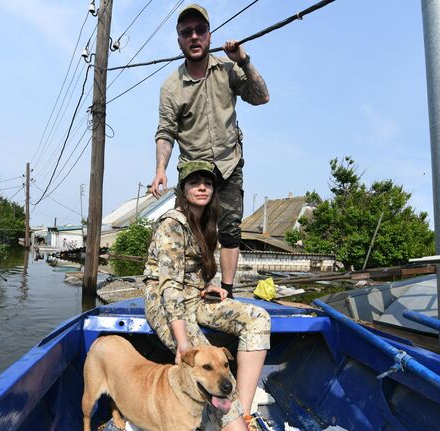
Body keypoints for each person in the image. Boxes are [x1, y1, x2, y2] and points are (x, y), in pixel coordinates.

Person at [151, 4, 270, 299]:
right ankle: (187, 289)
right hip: (194, 170)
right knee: (190, 231)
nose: (194, 37)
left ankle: (226, 291)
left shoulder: (229, 69)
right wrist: (160, 171)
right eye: (186, 32)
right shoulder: (170, 87)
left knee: (230, 230)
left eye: (199, 30)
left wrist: (243, 60)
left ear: (209, 35)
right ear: (179, 40)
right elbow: (166, 131)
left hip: (228, 164)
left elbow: (262, 97)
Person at [144, 161, 270, 431]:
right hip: (165, 301)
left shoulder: (207, 223)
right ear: (183, 189)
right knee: (205, 356)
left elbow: (197, 268)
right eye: (194, 182)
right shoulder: (171, 224)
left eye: (208, 183)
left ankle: (242, 413)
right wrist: (182, 342)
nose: (202, 187)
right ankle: (232, 422)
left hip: (195, 295)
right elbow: (169, 288)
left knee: (258, 317)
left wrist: (210, 284)